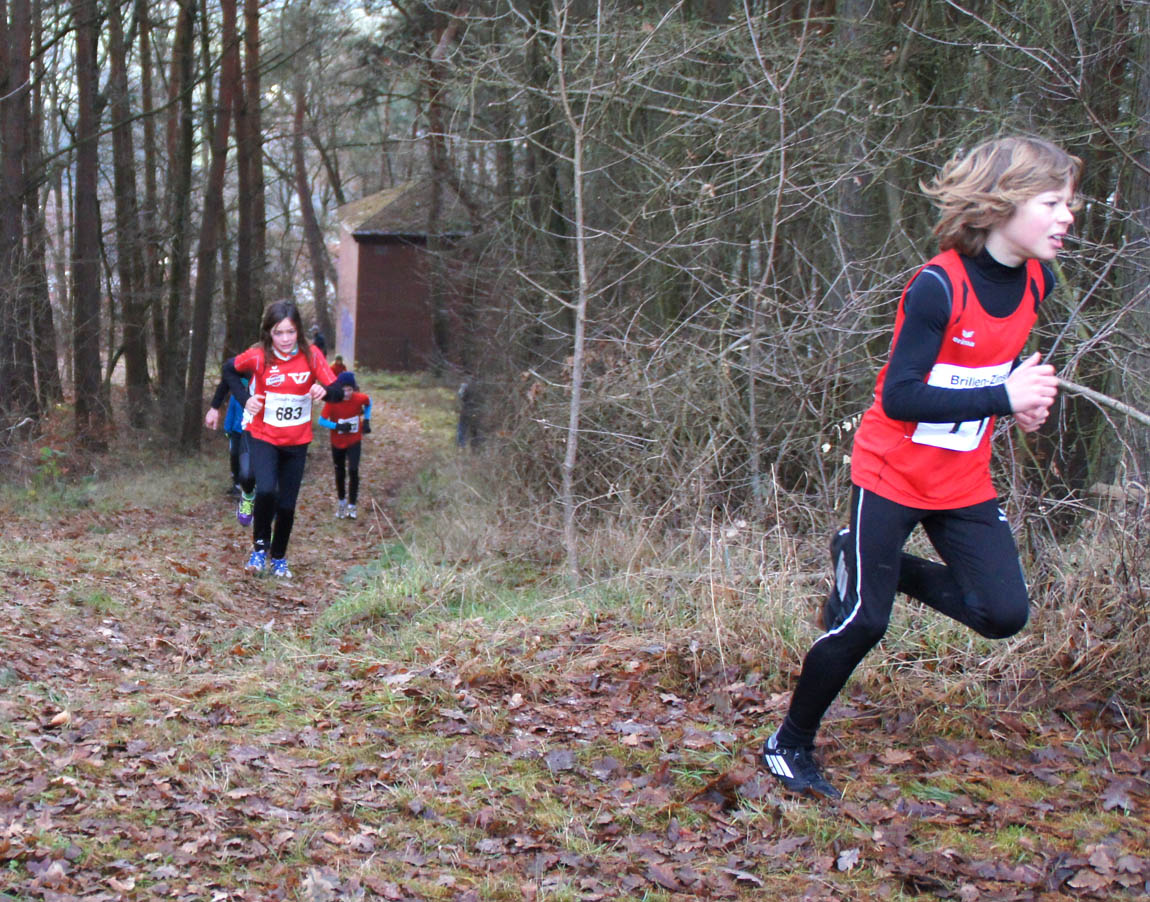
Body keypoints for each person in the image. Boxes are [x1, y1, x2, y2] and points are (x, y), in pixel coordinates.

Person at [761, 136, 1081, 800]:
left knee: (1003, 613)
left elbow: (990, 370)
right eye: (1052, 202)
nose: (1067, 216)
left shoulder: (1038, 282)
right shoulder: (938, 286)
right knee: (863, 622)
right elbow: (902, 397)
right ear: (1001, 204)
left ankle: (866, 559)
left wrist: (1021, 403)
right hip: (893, 472)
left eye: (1069, 203)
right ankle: (787, 744)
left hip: (962, 479)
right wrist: (1002, 397)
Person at [222, 301, 342, 579]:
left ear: (298, 330)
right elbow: (229, 370)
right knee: (266, 491)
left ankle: (279, 557)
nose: (285, 339)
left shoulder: (312, 355)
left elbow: (336, 390)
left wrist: (324, 391)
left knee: (287, 505)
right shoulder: (258, 356)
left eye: (290, 332)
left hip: (297, 442)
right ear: (268, 333)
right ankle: (259, 549)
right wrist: (245, 399)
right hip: (263, 435)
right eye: (278, 333)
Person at [318, 371, 372, 520]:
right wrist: (337, 426)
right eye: (344, 390)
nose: (347, 393)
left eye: (350, 389)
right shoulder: (332, 402)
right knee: (340, 472)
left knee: (353, 470)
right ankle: (341, 502)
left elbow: (369, 402)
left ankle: (352, 505)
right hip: (337, 442)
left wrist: (367, 420)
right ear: (339, 389)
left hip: (354, 440)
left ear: (354, 389)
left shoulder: (359, 398)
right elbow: (321, 421)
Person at [204, 378, 250, 500]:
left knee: (248, 458)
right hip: (236, 432)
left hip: (250, 432)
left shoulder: (255, 397)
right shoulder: (235, 397)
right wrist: (228, 430)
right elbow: (231, 413)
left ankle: (250, 486)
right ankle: (236, 483)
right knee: (234, 455)